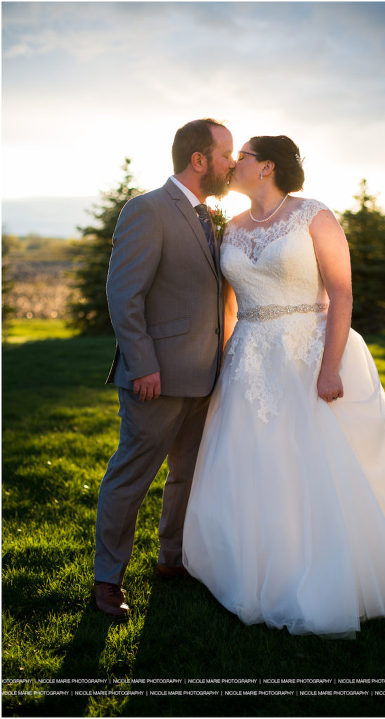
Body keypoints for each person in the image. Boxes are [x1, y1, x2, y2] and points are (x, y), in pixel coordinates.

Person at [182, 135, 385, 637]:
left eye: (242, 156)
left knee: (313, 462)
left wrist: (330, 368)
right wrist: (224, 361)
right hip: (248, 359)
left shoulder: (314, 215)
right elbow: (228, 306)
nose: (234, 163)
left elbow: (342, 293)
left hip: (308, 352)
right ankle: (253, 569)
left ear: (266, 166)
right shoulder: (232, 226)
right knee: (252, 463)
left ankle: (326, 576)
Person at [93, 118, 235, 619]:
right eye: (225, 155)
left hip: (205, 376)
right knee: (131, 477)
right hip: (155, 379)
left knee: (187, 475)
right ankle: (108, 579)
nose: (231, 164)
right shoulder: (147, 209)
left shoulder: (209, 216)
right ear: (199, 160)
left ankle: (172, 560)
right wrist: (143, 365)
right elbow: (123, 294)